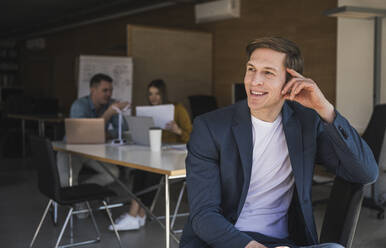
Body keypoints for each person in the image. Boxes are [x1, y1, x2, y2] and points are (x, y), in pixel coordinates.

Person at [179, 37, 378, 248]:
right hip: (225, 242)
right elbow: (204, 215)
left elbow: (366, 172)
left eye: (268, 72)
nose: (254, 81)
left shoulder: (305, 123)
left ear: (289, 81)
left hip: (283, 242)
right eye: (251, 69)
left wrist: (325, 110)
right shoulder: (210, 127)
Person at [109, 79, 192, 231]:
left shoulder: (178, 109)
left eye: (157, 94)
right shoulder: (147, 112)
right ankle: (140, 215)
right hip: (156, 153)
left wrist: (177, 130)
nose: (153, 97)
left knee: (151, 171)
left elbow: (193, 136)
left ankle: (134, 214)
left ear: (163, 94)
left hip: (176, 155)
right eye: (150, 94)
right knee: (142, 170)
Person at [57, 73, 129, 187]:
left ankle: (82, 196)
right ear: (93, 90)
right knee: (66, 183)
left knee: (113, 173)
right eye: (105, 90)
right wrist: (108, 114)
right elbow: (84, 133)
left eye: (111, 90)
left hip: (94, 152)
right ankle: (79, 198)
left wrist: (106, 134)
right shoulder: (79, 105)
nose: (109, 94)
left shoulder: (110, 104)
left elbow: (123, 130)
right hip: (71, 150)